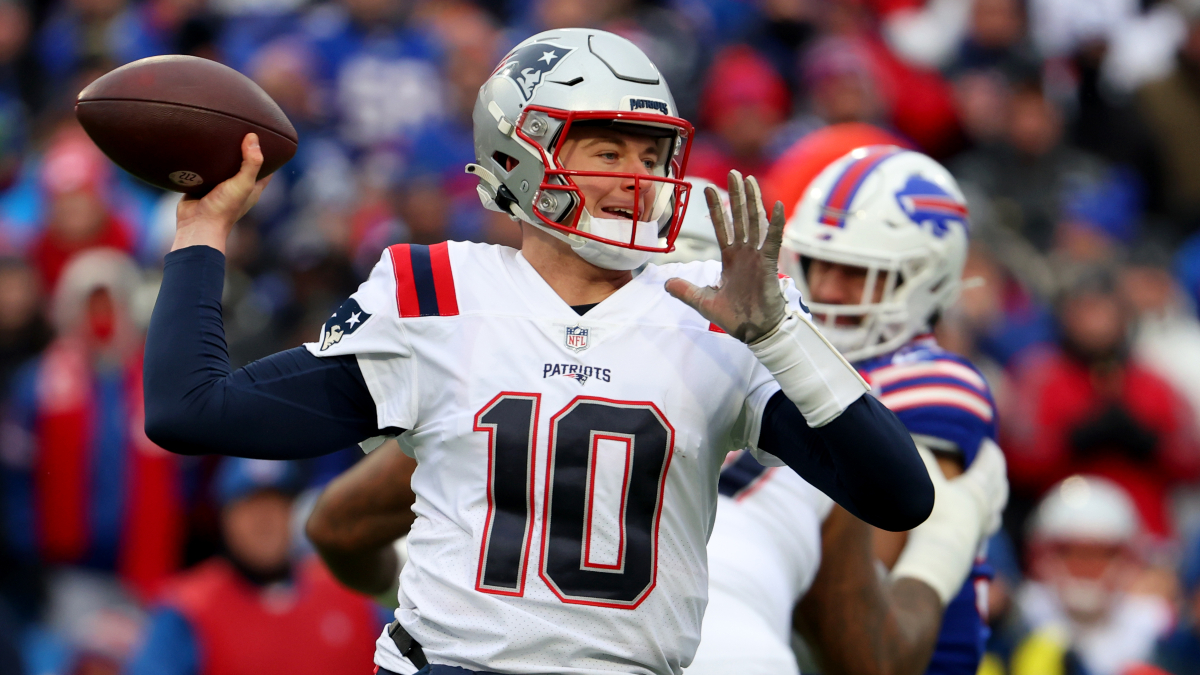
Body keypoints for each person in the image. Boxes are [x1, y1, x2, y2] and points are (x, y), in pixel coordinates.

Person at [142, 28, 934, 675]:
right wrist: (203, 228)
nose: (639, 180)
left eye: (652, 156)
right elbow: (192, 410)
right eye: (609, 152)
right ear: (521, 155)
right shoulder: (439, 292)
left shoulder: (714, 306)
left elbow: (900, 495)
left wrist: (781, 337)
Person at [681, 150, 1008, 675]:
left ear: (923, 279)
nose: (830, 290)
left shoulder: (934, 383)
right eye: (818, 264)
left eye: (858, 273)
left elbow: (859, 582)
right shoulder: (769, 358)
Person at [125, 457, 382, 675]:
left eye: (276, 505)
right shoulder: (187, 608)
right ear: (225, 519)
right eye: (250, 507)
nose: (264, 522)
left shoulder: (348, 591)